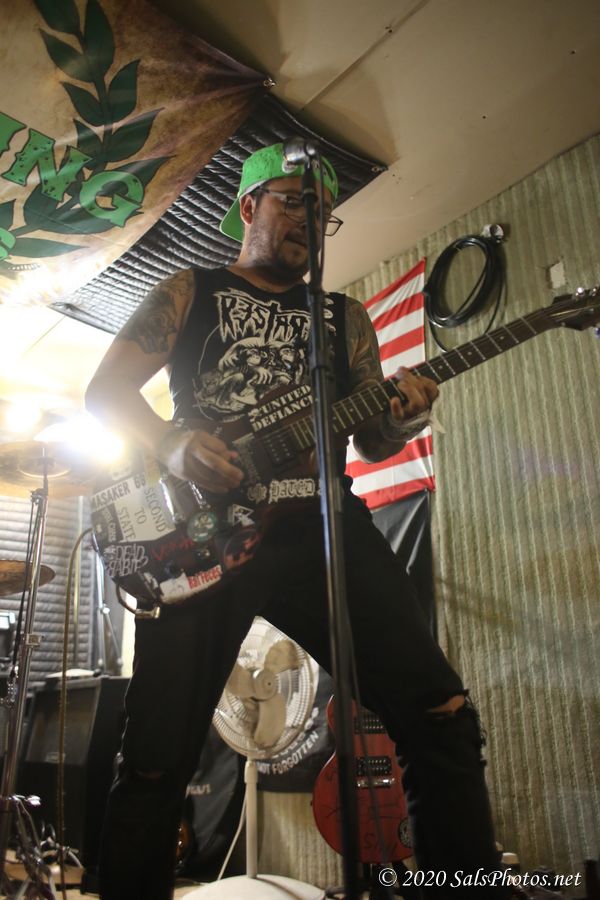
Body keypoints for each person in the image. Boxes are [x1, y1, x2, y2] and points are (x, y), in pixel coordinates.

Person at [85, 142, 510, 899]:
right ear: (249, 206)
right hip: (205, 536)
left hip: (324, 527)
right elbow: (105, 393)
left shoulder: (343, 317)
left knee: (441, 712)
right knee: (155, 757)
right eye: (293, 200)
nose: (309, 219)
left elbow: (372, 440)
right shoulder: (191, 288)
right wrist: (172, 444)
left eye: (322, 212)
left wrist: (403, 418)